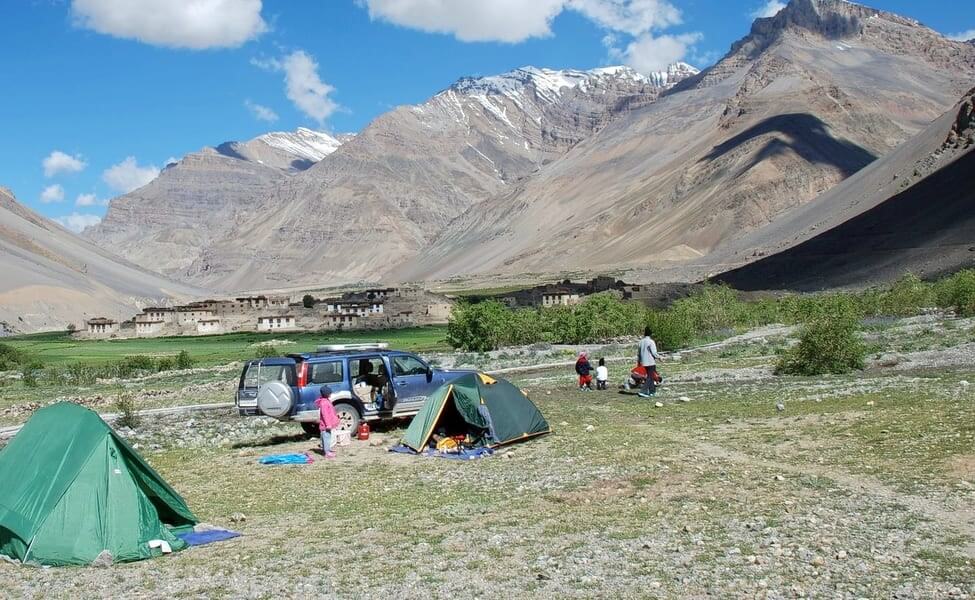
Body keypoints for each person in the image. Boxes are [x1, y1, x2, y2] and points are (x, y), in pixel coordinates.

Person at [315, 385, 340, 459]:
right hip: (326, 425)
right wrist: (328, 424)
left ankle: (326, 450)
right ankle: (327, 452)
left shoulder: (326, 401)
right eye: (329, 393)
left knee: (326, 437)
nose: (331, 394)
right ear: (326, 394)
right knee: (326, 438)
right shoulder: (324, 403)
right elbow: (325, 414)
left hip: (326, 425)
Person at [637, 327, 661, 398]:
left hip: (643, 362)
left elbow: (639, 353)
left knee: (650, 376)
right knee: (650, 377)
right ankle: (643, 391)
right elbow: (654, 352)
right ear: (650, 334)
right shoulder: (651, 342)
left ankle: (652, 391)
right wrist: (659, 357)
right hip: (650, 362)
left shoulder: (640, 342)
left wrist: (639, 361)